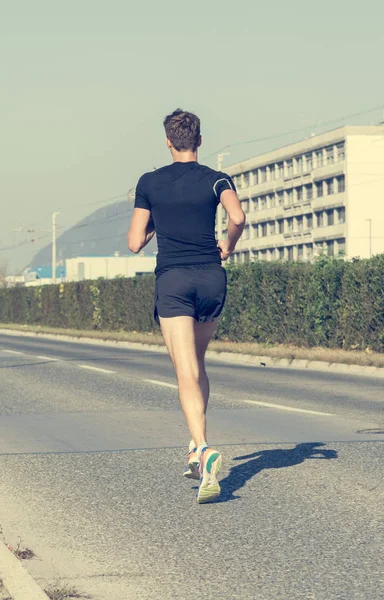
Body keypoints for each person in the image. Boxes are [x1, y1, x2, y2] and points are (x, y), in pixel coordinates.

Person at [128, 109, 245, 504]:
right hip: (212, 279)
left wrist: (159, 219)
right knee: (197, 363)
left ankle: (204, 447)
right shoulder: (216, 179)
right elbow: (238, 216)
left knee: (185, 370)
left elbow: (134, 242)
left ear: (167, 140)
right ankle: (195, 449)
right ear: (199, 140)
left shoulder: (149, 182)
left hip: (174, 281)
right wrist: (228, 245)